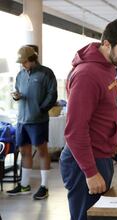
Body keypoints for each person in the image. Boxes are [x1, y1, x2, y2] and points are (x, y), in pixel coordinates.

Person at [60, 19, 117, 220]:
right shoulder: (87, 75)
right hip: (85, 162)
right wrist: (90, 172)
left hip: (101, 155)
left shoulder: (109, 66)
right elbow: (75, 131)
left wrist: (112, 145)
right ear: (106, 44)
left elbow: (104, 113)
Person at [7, 46, 57, 200]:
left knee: (42, 152)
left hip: (38, 120)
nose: (22, 65)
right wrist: (16, 96)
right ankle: (24, 185)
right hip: (22, 120)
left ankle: (44, 186)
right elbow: (18, 90)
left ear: (32, 59)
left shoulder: (46, 73)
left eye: (24, 62)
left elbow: (52, 94)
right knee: (24, 152)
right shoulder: (20, 74)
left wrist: (42, 109)